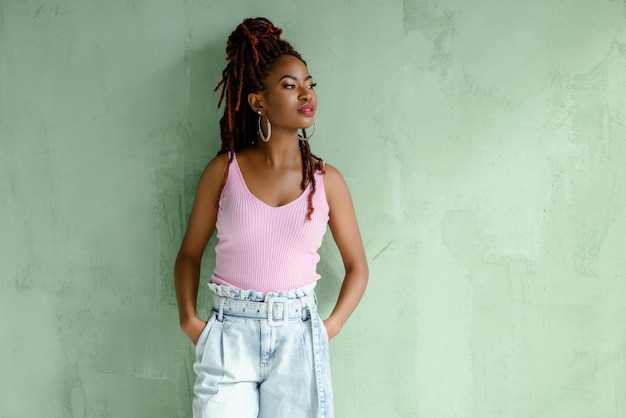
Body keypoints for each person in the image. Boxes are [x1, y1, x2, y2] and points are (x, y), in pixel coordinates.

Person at [174, 17, 368, 418]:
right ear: (257, 102)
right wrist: (191, 322)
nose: (306, 93)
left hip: (298, 335)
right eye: (290, 85)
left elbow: (358, 267)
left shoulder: (327, 181)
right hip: (228, 334)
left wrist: (328, 328)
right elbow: (189, 254)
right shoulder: (222, 172)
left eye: (310, 84)